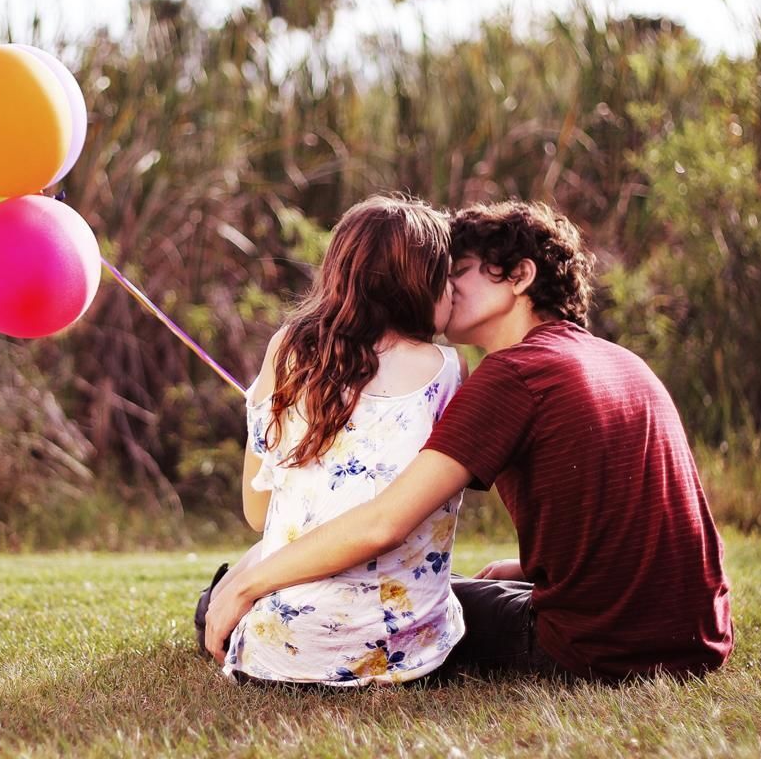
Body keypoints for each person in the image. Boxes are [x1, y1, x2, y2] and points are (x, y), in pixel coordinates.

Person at [205, 200, 733, 682]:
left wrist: (249, 584)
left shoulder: (513, 375)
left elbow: (385, 523)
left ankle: (228, 594)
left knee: (398, 599)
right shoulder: (617, 361)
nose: (446, 288)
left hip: (595, 651)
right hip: (698, 637)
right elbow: (644, 521)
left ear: (520, 276)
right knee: (461, 586)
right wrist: (529, 571)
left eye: (457, 273)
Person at [196, 194, 471, 687]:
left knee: (233, 582)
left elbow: (258, 515)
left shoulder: (287, 349)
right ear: (418, 283)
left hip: (286, 647)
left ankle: (218, 605)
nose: (453, 291)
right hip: (408, 649)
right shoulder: (448, 368)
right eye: (445, 276)